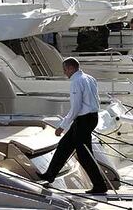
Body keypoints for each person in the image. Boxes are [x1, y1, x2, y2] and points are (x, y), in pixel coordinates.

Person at [36, 57, 108, 194]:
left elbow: (75, 107)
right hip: (92, 117)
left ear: (70, 68)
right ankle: (50, 175)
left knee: (84, 154)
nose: (65, 73)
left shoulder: (76, 81)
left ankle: (100, 185)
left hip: (84, 120)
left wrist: (62, 126)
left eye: (65, 70)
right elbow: (95, 100)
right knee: (65, 145)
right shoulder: (90, 78)